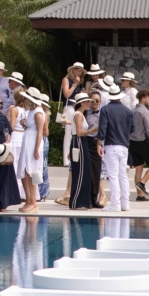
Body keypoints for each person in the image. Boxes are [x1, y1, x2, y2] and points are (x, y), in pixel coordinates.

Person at [97, 85, 134, 212]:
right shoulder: (128, 111)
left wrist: (98, 143)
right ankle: (125, 203)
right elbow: (132, 129)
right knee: (122, 175)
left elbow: (102, 128)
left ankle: (115, 203)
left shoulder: (105, 110)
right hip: (124, 146)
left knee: (113, 176)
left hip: (111, 144)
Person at [55, 62, 85, 206]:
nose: (79, 73)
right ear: (73, 70)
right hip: (69, 109)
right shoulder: (67, 80)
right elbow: (66, 94)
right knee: (68, 135)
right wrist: (75, 85)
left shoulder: (79, 83)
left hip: (76, 108)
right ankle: (66, 159)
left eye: (81, 71)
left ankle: (71, 157)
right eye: (77, 71)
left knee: (74, 133)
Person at [12, 87, 44, 214]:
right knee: (25, 171)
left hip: (33, 143)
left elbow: (40, 132)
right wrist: (25, 124)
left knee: (32, 171)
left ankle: (33, 202)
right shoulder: (32, 111)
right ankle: (29, 199)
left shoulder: (38, 112)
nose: (24, 99)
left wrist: (36, 148)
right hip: (27, 141)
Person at [129, 89, 149, 202]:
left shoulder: (131, 111)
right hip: (142, 142)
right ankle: (142, 183)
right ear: (143, 98)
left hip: (132, 142)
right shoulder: (145, 112)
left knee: (138, 169)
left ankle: (140, 196)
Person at [68, 93, 94, 210]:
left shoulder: (80, 115)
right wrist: (91, 131)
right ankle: (76, 202)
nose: (89, 104)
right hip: (79, 142)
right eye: (88, 102)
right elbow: (78, 132)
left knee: (83, 172)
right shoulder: (78, 115)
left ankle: (82, 201)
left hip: (78, 142)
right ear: (82, 103)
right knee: (81, 172)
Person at [86, 91, 104, 207]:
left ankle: (94, 198)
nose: (95, 103)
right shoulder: (85, 113)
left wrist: (100, 143)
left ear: (100, 102)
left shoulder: (103, 113)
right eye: (92, 100)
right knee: (88, 171)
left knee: (96, 172)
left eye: (97, 101)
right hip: (87, 141)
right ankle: (86, 198)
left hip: (97, 142)